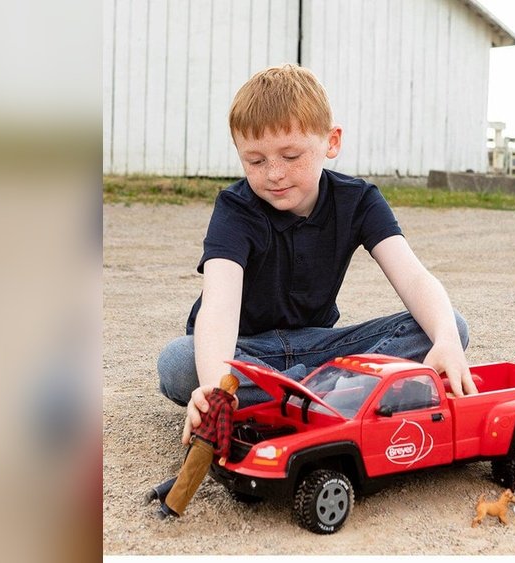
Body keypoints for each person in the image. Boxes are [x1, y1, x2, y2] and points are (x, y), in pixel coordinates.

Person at [157, 63, 476, 447]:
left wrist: (445, 338)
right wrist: (214, 389)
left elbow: (414, 277)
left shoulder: (359, 201)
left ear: (331, 142)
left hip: (321, 346)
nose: (274, 173)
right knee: (179, 362)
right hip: (244, 351)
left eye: (291, 156)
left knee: (450, 327)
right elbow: (219, 306)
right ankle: (338, 396)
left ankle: (300, 399)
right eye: (255, 161)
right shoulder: (234, 208)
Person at [153, 373, 239, 518]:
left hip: (196, 438)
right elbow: (224, 432)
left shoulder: (211, 397)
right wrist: (224, 453)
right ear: (231, 389)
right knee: (191, 478)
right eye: (235, 389)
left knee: (186, 472)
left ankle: (158, 492)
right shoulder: (225, 406)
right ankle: (166, 510)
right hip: (206, 445)